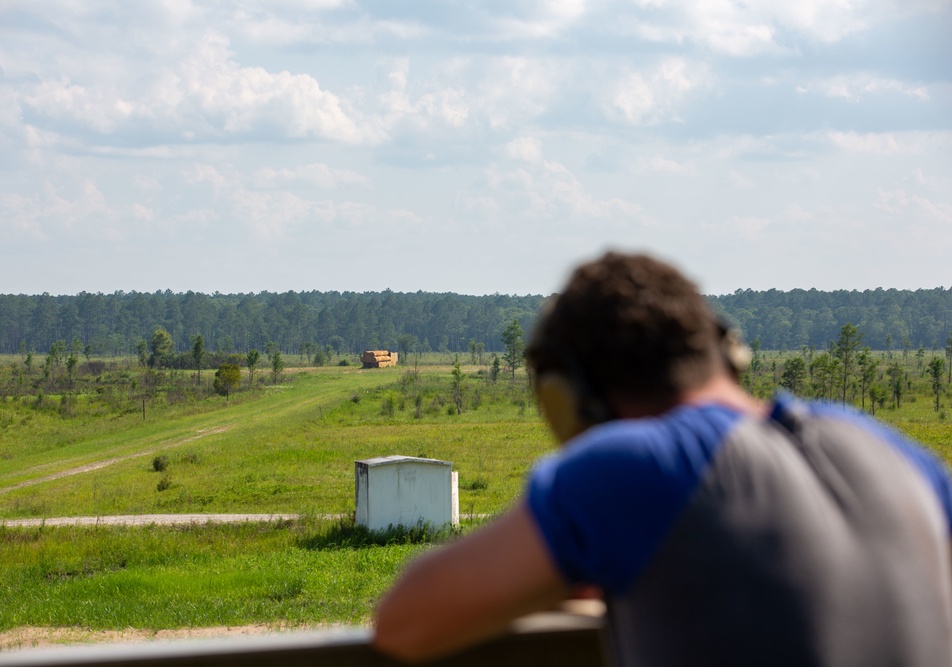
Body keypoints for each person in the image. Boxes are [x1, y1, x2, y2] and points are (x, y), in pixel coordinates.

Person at [372, 251, 952, 666]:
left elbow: (406, 621)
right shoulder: (896, 452)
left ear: (566, 398)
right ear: (726, 348)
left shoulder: (641, 466)